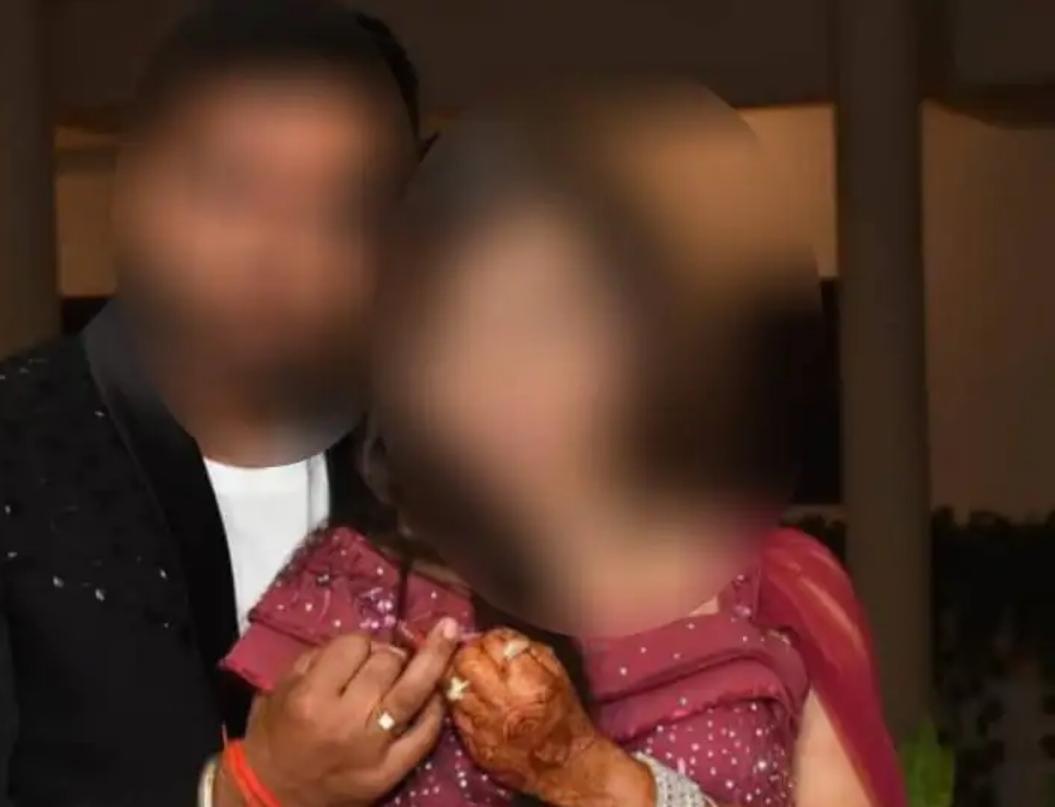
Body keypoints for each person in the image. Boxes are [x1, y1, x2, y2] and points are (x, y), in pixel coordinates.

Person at [224, 83, 908, 806]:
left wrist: (591, 778)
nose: (501, 371)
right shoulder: (343, 597)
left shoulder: (775, 586)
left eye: (547, 319)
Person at [0, 3, 459, 805]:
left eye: (344, 210)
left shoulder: (444, 467)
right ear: (131, 192)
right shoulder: (21, 456)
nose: (279, 252)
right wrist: (248, 790)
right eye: (231, 191)